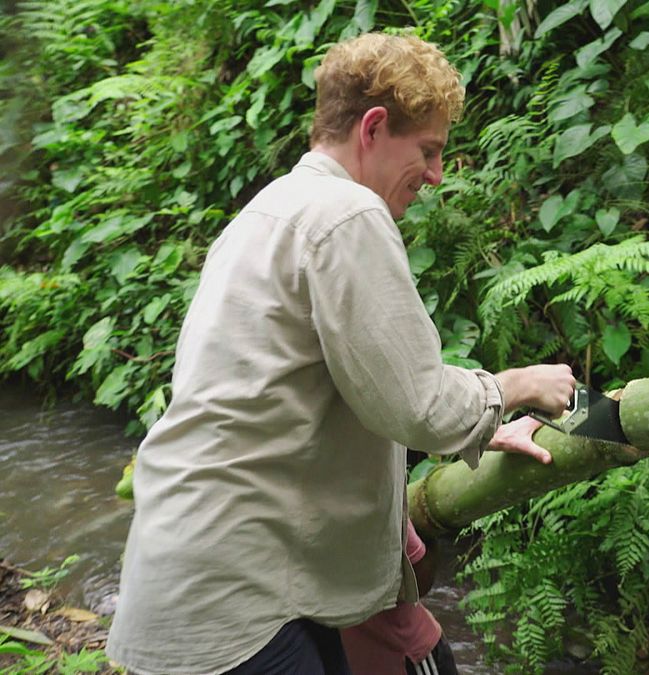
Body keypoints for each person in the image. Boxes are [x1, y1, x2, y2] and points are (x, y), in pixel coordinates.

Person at [106, 33, 576, 673]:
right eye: (429, 151)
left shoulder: (266, 211)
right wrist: (516, 384)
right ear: (375, 127)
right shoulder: (347, 213)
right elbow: (419, 406)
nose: (437, 176)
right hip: (239, 607)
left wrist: (484, 428)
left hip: (185, 580)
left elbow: (311, 395)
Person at [342, 519, 457, 675]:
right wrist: (431, 539)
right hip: (399, 656)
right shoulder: (371, 498)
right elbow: (419, 579)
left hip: (355, 658)